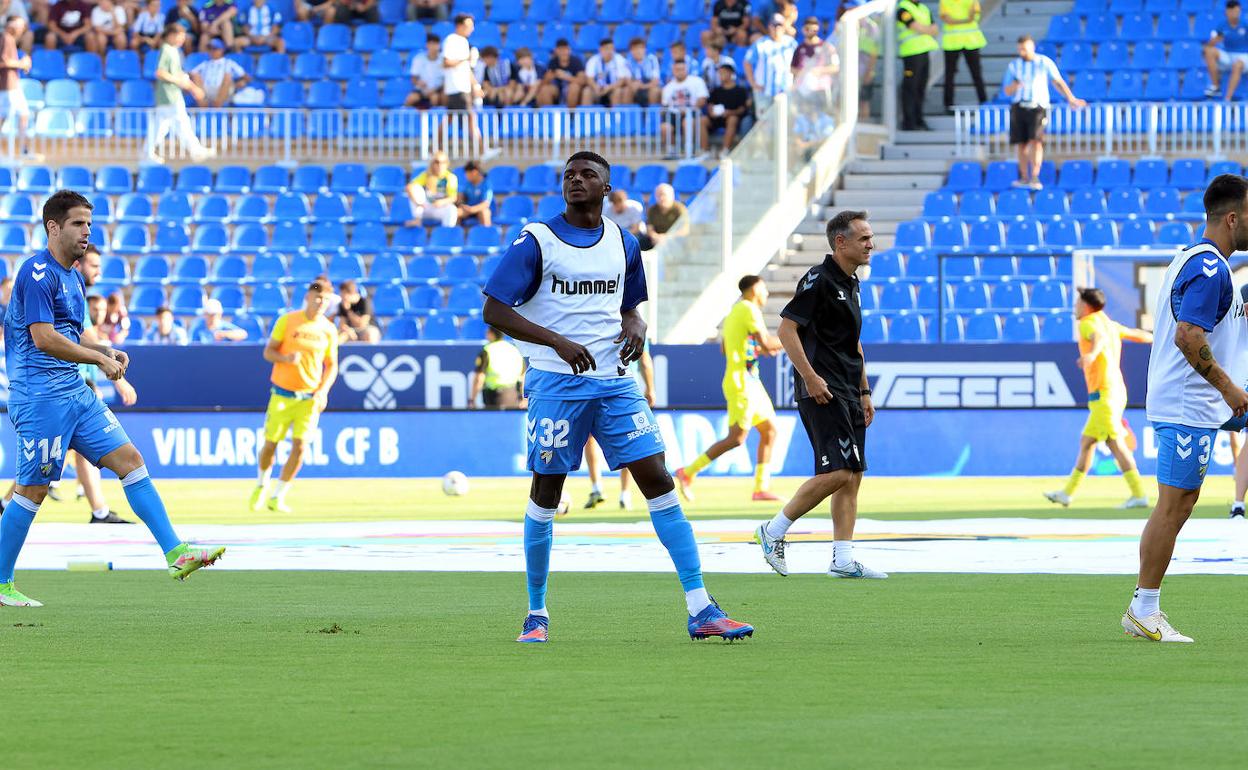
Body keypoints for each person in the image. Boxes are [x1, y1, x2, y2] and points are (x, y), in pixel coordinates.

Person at [482, 150, 754, 644]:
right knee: (547, 493)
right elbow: (494, 310)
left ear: (607, 189)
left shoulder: (624, 242)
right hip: (555, 382)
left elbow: (631, 308)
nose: (576, 180)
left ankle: (701, 607)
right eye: (569, 175)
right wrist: (557, 342)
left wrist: (638, 326)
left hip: (615, 383)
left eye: (587, 175)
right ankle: (536, 612)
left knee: (659, 479)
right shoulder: (537, 240)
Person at [0, 190, 225, 607]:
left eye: (89, 223)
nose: (87, 231)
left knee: (131, 461)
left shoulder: (72, 276)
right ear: (53, 227)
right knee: (31, 490)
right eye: (78, 223)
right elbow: (44, 337)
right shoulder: (36, 273)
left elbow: (72, 330)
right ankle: (1, 583)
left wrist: (104, 348)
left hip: (73, 392)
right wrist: (98, 361)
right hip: (41, 398)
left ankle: (176, 552)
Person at [1125, 174, 1248, 643]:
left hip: (1194, 403)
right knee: (1174, 506)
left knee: (1180, 503)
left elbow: (1206, 325)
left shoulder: (1200, 262)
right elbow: (1188, 336)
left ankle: (1144, 605)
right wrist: (1230, 389)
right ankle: (1144, 607)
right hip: (1188, 403)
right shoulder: (1212, 269)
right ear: (1233, 218)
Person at [754, 210, 885, 580]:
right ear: (840, 242)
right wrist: (810, 377)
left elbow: (853, 343)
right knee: (839, 470)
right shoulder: (819, 279)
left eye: (870, 237)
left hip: (848, 390)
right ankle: (772, 531)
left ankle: (842, 559)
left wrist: (864, 391)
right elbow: (787, 330)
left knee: (853, 474)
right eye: (863, 238)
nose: (871, 244)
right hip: (822, 390)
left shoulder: (852, 283)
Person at [676, 274, 784, 502]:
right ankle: (688, 472)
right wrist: (793, 340)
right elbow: (766, 343)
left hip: (750, 379)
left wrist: (757, 349)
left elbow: (726, 348)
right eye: (764, 289)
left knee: (770, 430)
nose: (767, 293)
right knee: (737, 438)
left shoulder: (734, 312)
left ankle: (760, 488)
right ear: (754, 289)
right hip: (742, 381)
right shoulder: (749, 309)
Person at [1043, 288, 1153, 510]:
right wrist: (1158, 338)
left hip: (1105, 394)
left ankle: (1139, 494)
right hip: (1113, 391)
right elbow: (1138, 335)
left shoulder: (1088, 323)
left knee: (1115, 444)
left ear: (1086, 305)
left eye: (1077, 303)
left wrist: (1092, 354)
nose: (1075, 307)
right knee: (1087, 443)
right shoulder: (1110, 324)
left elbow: (1098, 338)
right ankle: (1066, 493)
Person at [249, 278, 339, 514]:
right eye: (318, 297)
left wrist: (323, 391)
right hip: (282, 394)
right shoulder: (288, 321)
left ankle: (278, 496)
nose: (321, 303)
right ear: (308, 296)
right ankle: (261, 484)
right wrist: (286, 359)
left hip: (309, 399)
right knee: (270, 446)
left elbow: (332, 365)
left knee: (300, 447)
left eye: (326, 300)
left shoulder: (329, 330)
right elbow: (268, 352)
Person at [1002, 35, 1084, 190]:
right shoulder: (1014, 66)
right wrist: (1015, 86)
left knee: (1036, 141)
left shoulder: (1044, 62)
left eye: (1024, 49)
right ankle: (1024, 177)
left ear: (1032, 47)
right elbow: (1006, 90)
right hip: (1019, 106)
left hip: (1038, 106)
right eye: (1020, 49)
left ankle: (1034, 175)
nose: (1022, 52)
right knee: (1021, 143)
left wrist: (1070, 98)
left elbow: (1057, 81)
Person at [583, 347, 656, 511]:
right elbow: (645, 360)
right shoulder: (633, 324)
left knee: (590, 438)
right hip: (624, 392)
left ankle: (596, 488)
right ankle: (625, 494)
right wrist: (650, 389)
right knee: (628, 440)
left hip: (592, 387)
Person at [146, 24, 214, 164]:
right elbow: (160, 72)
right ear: (171, 35)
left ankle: (148, 154)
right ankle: (196, 150)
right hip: (169, 95)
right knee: (181, 122)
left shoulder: (175, 51)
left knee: (162, 126)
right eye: (180, 35)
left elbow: (179, 74)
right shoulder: (167, 49)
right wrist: (181, 82)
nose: (183, 39)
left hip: (172, 94)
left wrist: (193, 87)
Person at [895, 0, 938, 131]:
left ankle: (919, 119)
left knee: (921, 87)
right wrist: (927, 29)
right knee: (910, 87)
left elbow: (935, 29)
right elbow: (913, 26)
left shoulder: (924, 8)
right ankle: (909, 122)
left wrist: (923, 29)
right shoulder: (903, 8)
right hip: (911, 52)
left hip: (924, 52)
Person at [744, 14, 797, 114]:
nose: (777, 28)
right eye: (774, 25)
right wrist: (753, 83)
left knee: (785, 121)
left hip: (785, 90)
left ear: (783, 27)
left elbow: (798, 64)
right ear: (769, 26)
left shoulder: (791, 43)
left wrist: (795, 83)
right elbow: (747, 62)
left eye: (779, 25)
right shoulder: (760, 43)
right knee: (764, 123)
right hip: (764, 91)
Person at [939, 0, 987, 113]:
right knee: (949, 75)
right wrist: (965, 20)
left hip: (970, 41)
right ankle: (948, 105)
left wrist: (958, 21)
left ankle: (984, 103)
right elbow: (947, 19)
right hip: (952, 42)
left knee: (977, 74)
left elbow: (973, 17)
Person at [0, 16, 33, 158]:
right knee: (2, 119)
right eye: (20, 26)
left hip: (13, 85)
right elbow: (3, 62)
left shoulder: (9, 39)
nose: (22, 29)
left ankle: (23, 149)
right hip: (6, 87)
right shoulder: (5, 38)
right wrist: (22, 64)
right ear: (11, 26)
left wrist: (21, 64)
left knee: (23, 114)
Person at [791, 17, 838, 114]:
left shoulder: (827, 47)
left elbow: (835, 67)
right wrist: (804, 73)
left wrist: (819, 71)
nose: (811, 32)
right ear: (803, 30)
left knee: (821, 116)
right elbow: (792, 68)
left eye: (814, 29)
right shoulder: (800, 48)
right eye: (808, 29)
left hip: (821, 90)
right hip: (803, 90)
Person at [469, 326, 523, 409]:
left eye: (487, 332)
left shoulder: (487, 351)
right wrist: (523, 398)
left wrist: (472, 399)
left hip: (494, 397)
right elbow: (523, 375)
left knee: (494, 421)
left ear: (491, 334)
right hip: (513, 395)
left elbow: (479, 377)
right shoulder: (514, 349)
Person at [659, 58, 708, 150]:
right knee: (665, 127)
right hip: (673, 114)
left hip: (693, 112)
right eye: (677, 69)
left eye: (682, 69)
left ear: (686, 69)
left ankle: (689, 150)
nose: (680, 72)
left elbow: (702, 100)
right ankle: (672, 151)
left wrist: (688, 111)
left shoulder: (697, 81)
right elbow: (665, 105)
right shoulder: (667, 87)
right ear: (673, 70)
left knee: (687, 122)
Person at [703, 63, 752, 154]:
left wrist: (730, 112)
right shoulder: (716, 90)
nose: (721, 75)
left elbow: (743, 109)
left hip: (734, 119)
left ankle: (725, 150)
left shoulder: (740, 90)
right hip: (717, 119)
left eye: (723, 73)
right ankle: (704, 151)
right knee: (702, 120)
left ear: (731, 74)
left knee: (732, 119)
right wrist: (711, 111)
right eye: (719, 73)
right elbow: (710, 104)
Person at [1204, 0, 1248, 100]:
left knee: (1238, 64)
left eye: (1237, 11)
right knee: (1209, 51)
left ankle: (1227, 98)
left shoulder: (1245, 25)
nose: (1235, 14)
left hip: (1244, 56)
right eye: (1232, 11)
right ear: (1227, 12)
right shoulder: (1222, 26)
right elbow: (1210, 44)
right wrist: (1215, 40)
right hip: (1228, 55)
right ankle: (1215, 86)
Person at [404, 151, 458, 227]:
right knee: (415, 188)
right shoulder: (426, 175)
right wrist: (417, 203)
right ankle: (417, 219)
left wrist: (441, 202)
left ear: (447, 164)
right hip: (425, 207)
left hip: (440, 208)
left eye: (443, 162)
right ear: (432, 164)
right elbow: (410, 187)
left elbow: (453, 198)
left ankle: (446, 233)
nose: (440, 165)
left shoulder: (450, 177)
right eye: (437, 162)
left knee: (452, 209)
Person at [584, 37, 631, 107]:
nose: (609, 51)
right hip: (598, 89)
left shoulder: (620, 60)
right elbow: (589, 78)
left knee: (618, 92)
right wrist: (595, 87)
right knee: (587, 91)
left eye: (611, 49)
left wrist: (609, 88)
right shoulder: (593, 60)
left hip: (613, 88)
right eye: (606, 49)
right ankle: (586, 116)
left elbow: (622, 80)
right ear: (600, 50)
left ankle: (616, 116)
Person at [540, 38, 585, 107]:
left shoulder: (576, 61)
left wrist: (565, 76)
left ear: (569, 50)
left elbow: (582, 81)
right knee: (545, 89)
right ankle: (549, 115)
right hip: (557, 90)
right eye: (560, 50)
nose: (563, 52)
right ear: (556, 51)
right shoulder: (553, 62)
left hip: (572, 92)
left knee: (574, 87)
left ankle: (570, 115)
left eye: (565, 49)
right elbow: (544, 83)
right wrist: (550, 76)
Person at [405, 34, 444, 108]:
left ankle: (434, 118)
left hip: (437, 90)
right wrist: (418, 83)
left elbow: (445, 80)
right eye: (431, 44)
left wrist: (434, 90)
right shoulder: (418, 58)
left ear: (439, 45)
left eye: (435, 44)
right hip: (421, 90)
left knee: (434, 98)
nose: (433, 47)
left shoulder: (443, 60)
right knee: (411, 98)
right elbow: (413, 78)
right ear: (427, 45)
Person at [646, 183, 688, 248]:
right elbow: (649, 228)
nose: (661, 198)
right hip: (657, 240)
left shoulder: (680, 209)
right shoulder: (652, 210)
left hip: (674, 239)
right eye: (658, 195)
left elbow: (684, 230)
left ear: (672, 195)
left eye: (664, 195)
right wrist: (655, 236)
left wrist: (666, 237)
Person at [625, 37, 661, 106]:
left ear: (645, 49)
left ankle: (651, 115)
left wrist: (643, 86)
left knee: (655, 91)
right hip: (636, 85)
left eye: (640, 48)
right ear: (631, 51)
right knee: (627, 91)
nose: (638, 51)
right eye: (634, 49)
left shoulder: (652, 59)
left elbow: (656, 80)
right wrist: (632, 85)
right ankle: (631, 115)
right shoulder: (628, 62)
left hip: (649, 85)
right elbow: (628, 80)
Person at [457, 160, 493, 227]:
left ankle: (487, 235)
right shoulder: (467, 184)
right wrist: (461, 204)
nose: (466, 176)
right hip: (469, 210)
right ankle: (455, 235)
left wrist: (472, 209)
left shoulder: (486, 185)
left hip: (480, 209)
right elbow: (461, 197)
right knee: (456, 213)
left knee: (484, 212)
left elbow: (485, 204)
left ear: (475, 172)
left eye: (468, 174)